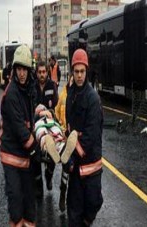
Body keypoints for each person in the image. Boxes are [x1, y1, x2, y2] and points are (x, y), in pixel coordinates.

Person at [0, 45, 37, 227]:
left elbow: (30, 116)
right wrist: (37, 149)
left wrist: (42, 113)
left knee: (30, 203)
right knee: (15, 202)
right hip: (12, 154)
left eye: (25, 69)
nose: (22, 74)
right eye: (19, 69)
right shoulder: (12, 93)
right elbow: (21, 130)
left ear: (29, 71)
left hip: (25, 155)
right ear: (14, 70)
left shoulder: (29, 90)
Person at [66, 49, 104, 226]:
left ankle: (87, 221)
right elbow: (69, 126)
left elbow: (91, 135)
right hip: (75, 167)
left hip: (90, 165)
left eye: (82, 71)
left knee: (94, 202)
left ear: (86, 71)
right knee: (73, 210)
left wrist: (72, 154)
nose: (79, 75)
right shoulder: (70, 95)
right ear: (72, 72)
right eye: (76, 71)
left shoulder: (93, 99)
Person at [33, 61, 59, 196]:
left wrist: (48, 112)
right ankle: (38, 184)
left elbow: (55, 104)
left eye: (44, 72)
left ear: (47, 72)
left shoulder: (52, 86)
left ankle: (49, 175)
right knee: (35, 154)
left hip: (49, 122)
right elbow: (30, 105)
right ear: (36, 73)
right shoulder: (33, 86)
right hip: (36, 123)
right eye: (40, 72)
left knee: (52, 152)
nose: (42, 74)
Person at [54, 74, 74, 212]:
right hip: (63, 135)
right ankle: (63, 194)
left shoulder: (81, 97)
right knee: (66, 167)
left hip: (75, 138)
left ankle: (71, 199)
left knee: (74, 171)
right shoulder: (62, 96)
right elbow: (56, 113)